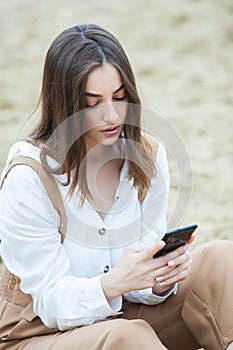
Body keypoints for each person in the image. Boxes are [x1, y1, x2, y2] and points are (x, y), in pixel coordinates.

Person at [0, 23, 232, 350]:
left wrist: (158, 277)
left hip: (122, 321)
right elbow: (51, 303)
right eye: (92, 103)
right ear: (63, 104)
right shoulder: (29, 177)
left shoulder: (147, 155)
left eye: (119, 97)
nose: (112, 115)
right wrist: (114, 283)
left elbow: (139, 285)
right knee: (127, 336)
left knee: (222, 261)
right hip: (39, 336)